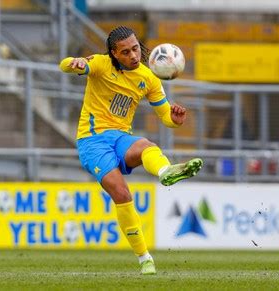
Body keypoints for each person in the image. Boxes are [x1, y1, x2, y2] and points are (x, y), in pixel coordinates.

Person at [59, 26, 203, 275]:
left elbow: (165, 116)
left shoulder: (148, 78)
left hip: (120, 137)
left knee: (147, 145)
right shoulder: (102, 65)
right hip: (92, 141)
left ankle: (166, 171)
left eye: (135, 48)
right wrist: (75, 62)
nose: (133, 55)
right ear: (114, 54)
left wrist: (175, 119)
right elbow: (63, 65)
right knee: (122, 193)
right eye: (125, 52)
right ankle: (144, 257)